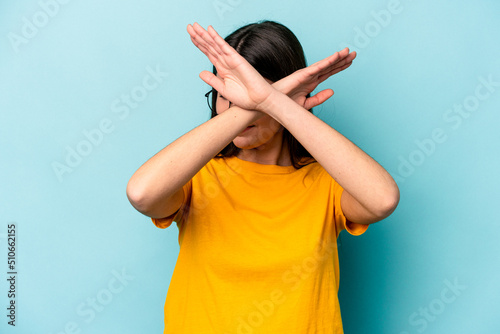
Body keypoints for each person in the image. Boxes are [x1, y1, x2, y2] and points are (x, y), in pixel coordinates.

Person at [126, 20, 399, 334]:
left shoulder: (326, 182)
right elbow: (141, 193)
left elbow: (383, 199)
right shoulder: (196, 175)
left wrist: (271, 101)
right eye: (225, 92)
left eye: (251, 92)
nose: (236, 104)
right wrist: (263, 101)